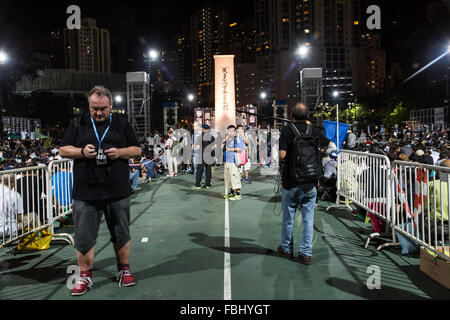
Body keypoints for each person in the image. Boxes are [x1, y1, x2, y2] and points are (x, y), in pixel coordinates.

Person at [59, 86, 142, 296]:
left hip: (117, 189)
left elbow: (137, 149)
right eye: (94, 108)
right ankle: (85, 277)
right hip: (86, 192)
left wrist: (120, 152)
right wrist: (81, 152)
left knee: (121, 233)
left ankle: (124, 271)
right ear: (89, 106)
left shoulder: (122, 123)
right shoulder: (78, 123)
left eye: (103, 108)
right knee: (84, 236)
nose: (98, 112)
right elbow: (62, 150)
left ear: (111, 106)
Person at [278, 102, 336, 265]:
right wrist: (320, 156)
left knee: (288, 219)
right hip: (311, 182)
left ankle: (287, 249)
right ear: (308, 116)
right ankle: (306, 253)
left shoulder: (287, 131)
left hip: (292, 182)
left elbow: (282, 155)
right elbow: (332, 146)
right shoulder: (314, 131)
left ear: (292, 116)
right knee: (308, 220)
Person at [222, 125, 245, 201]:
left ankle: (238, 194)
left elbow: (241, 149)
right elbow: (221, 144)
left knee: (235, 178)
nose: (229, 132)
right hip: (227, 161)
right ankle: (231, 192)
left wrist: (231, 149)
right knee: (229, 178)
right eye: (228, 131)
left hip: (234, 162)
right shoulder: (228, 138)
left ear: (234, 131)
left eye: (231, 131)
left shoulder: (237, 138)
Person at [192, 124, 215, 190]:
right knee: (208, 170)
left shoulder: (201, 136)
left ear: (203, 129)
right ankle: (208, 184)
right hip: (209, 155)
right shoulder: (212, 137)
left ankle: (198, 185)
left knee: (199, 170)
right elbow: (214, 147)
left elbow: (197, 147)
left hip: (202, 155)